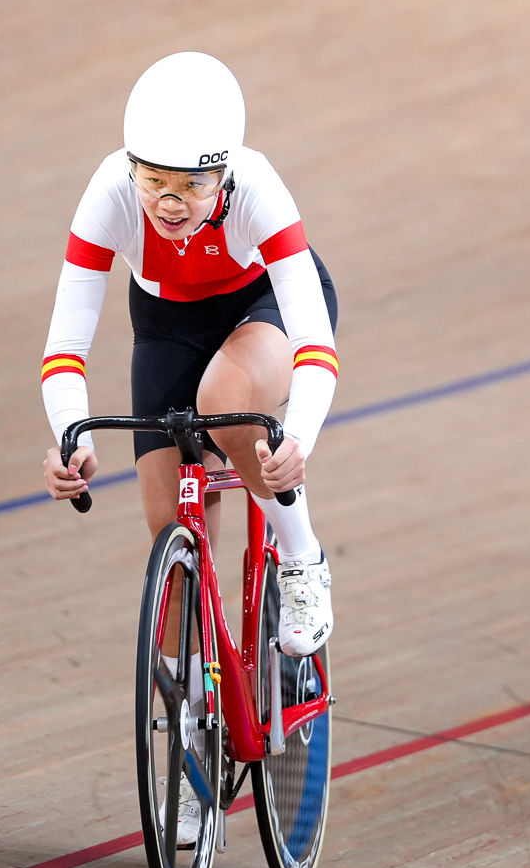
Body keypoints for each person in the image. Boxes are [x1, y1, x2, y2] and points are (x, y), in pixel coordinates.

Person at [39, 52, 340, 655]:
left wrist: (298, 439)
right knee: (170, 539)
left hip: (263, 307)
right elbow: (65, 348)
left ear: (223, 177)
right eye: (153, 183)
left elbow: (315, 344)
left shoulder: (258, 189)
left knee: (224, 400)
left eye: (192, 186)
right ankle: (197, 716)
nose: (169, 203)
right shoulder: (108, 193)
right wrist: (75, 443)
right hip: (166, 325)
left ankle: (303, 558)